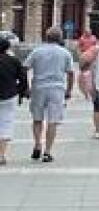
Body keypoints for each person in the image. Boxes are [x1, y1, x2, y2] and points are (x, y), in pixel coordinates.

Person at [21, 27, 76, 163]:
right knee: (53, 121)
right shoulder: (65, 53)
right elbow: (70, 73)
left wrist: (26, 87)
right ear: (60, 38)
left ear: (46, 37)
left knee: (37, 119)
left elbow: (25, 68)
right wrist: (69, 90)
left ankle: (37, 144)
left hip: (38, 87)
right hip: (57, 89)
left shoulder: (37, 51)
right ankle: (47, 151)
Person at [0, 35, 27, 166]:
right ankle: (1, 154)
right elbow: (23, 78)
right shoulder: (14, 61)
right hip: (8, 96)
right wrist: (20, 91)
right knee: (6, 124)